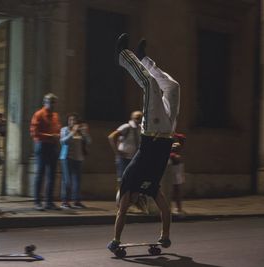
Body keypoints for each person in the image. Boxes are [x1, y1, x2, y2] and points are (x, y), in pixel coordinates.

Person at [107, 33, 180, 252]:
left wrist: (116, 241)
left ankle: (124, 56)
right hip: (167, 132)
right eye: (130, 201)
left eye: (127, 200)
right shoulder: (152, 189)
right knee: (174, 87)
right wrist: (165, 236)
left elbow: (121, 212)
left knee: (150, 84)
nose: (130, 200)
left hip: (151, 131)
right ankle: (144, 59)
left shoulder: (129, 182)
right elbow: (165, 210)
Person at [30, 93, 62, 211]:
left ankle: (49, 201)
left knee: (51, 175)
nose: (53, 104)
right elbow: (34, 132)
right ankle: (37, 201)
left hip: (52, 146)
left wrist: (57, 135)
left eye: (54, 102)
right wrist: (50, 136)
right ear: (45, 102)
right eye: (50, 102)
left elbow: (58, 128)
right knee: (40, 173)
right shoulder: (39, 114)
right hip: (42, 145)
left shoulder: (55, 116)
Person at [59, 113, 91, 209]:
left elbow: (89, 142)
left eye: (74, 120)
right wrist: (72, 132)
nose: (73, 122)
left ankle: (76, 201)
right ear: (68, 121)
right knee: (67, 181)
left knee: (77, 181)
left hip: (78, 158)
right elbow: (63, 141)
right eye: (70, 120)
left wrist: (85, 133)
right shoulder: (65, 130)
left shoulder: (80, 132)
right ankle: (65, 202)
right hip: (67, 158)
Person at [108, 111, 143, 187]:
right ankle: (121, 196)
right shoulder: (126, 127)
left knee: (134, 179)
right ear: (132, 117)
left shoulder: (140, 129)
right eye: (137, 117)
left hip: (135, 158)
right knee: (122, 179)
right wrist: (117, 152)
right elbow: (111, 137)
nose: (138, 118)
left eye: (140, 117)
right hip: (124, 158)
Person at [169, 133, 186, 216]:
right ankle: (177, 208)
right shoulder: (173, 145)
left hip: (176, 168)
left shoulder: (176, 145)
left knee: (177, 189)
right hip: (173, 168)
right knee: (174, 189)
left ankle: (179, 208)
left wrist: (174, 134)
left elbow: (182, 138)